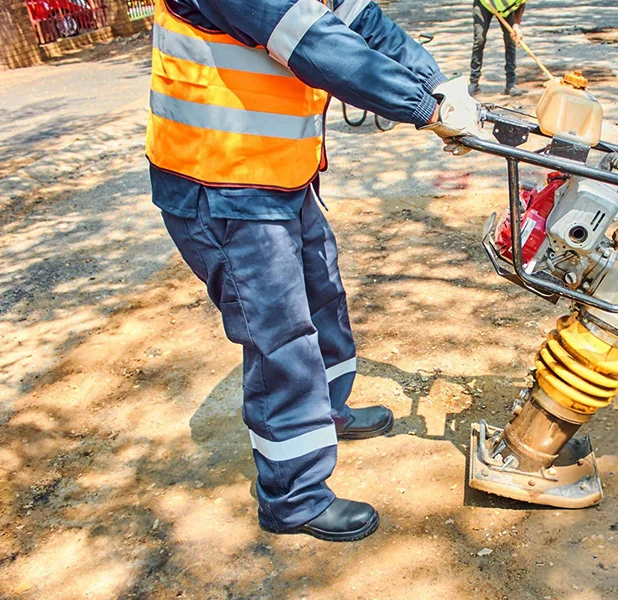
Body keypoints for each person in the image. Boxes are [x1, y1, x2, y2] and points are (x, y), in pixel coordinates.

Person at [146, 0, 479, 542]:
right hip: (221, 182)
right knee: (281, 337)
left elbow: (362, 22)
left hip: (279, 174)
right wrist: (424, 108)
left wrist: (439, 83)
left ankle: (327, 412)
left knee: (322, 298)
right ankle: (293, 496)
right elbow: (316, 44)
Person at [469, 0, 527, 97]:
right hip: (484, 4)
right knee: (479, 39)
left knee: (510, 40)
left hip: (506, 10)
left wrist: (516, 24)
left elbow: (521, 3)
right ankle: (474, 82)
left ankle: (510, 84)